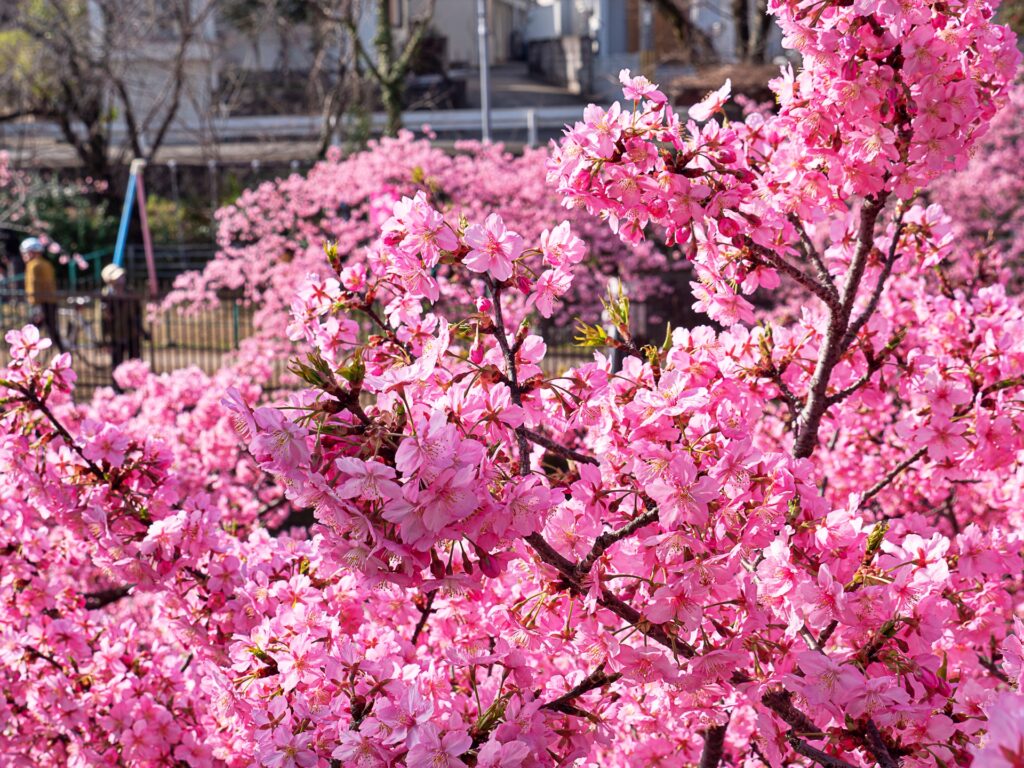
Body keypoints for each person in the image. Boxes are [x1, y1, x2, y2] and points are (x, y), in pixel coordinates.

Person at [101, 263, 146, 372]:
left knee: (135, 365)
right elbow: (102, 321)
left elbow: (137, 314)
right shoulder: (105, 296)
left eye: (122, 277)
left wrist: (142, 331)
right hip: (115, 336)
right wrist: (105, 341)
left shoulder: (131, 293)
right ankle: (117, 389)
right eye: (118, 278)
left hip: (132, 334)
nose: (122, 280)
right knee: (117, 367)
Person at [21, 237, 64, 351]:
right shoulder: (47, 263)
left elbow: (33, 286)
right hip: (51, 301)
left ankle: (22, 358)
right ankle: (62, 351)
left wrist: (33, 303)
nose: (24, 256)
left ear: (32, 252)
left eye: (25, 253)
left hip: (40, 303)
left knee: (29, 334)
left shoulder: (33, 265)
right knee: (52, 330)